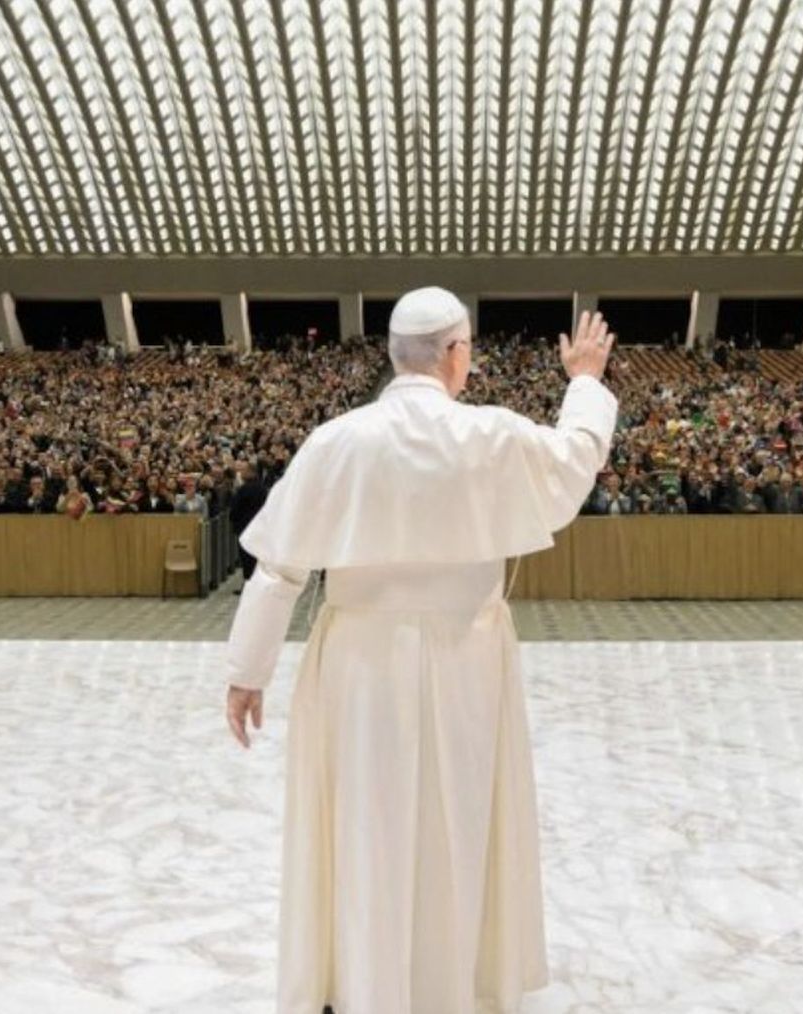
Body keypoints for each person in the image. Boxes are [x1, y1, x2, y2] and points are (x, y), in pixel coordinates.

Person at [224, 290, 617, 1014]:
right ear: (455, 355)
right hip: (466, 658)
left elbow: (279, 569)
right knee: (458, 821)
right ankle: (455, 984)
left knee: (362, 824)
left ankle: (359, 982)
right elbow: (574, 460)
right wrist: (585, 380)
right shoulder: (491, 434)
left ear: (393, 354)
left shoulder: (335, 441)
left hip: (358, 666)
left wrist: (246, 674)